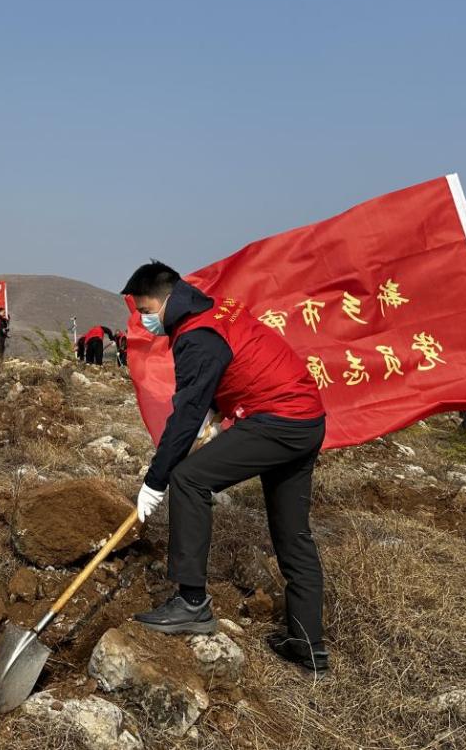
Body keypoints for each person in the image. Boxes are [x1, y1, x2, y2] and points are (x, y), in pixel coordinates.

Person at [122, 260, 329, 675]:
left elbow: (184, 416)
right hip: (306, 419)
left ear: (164, 301)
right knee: (293, 534)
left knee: (188, 479)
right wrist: (218, 411)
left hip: (278, 420)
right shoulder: (215, 310)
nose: (145, 322)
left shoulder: (195, 335)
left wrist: (155, 481)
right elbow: (233, 364)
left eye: (145, 310)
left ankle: (192, 603)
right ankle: (309, 647)